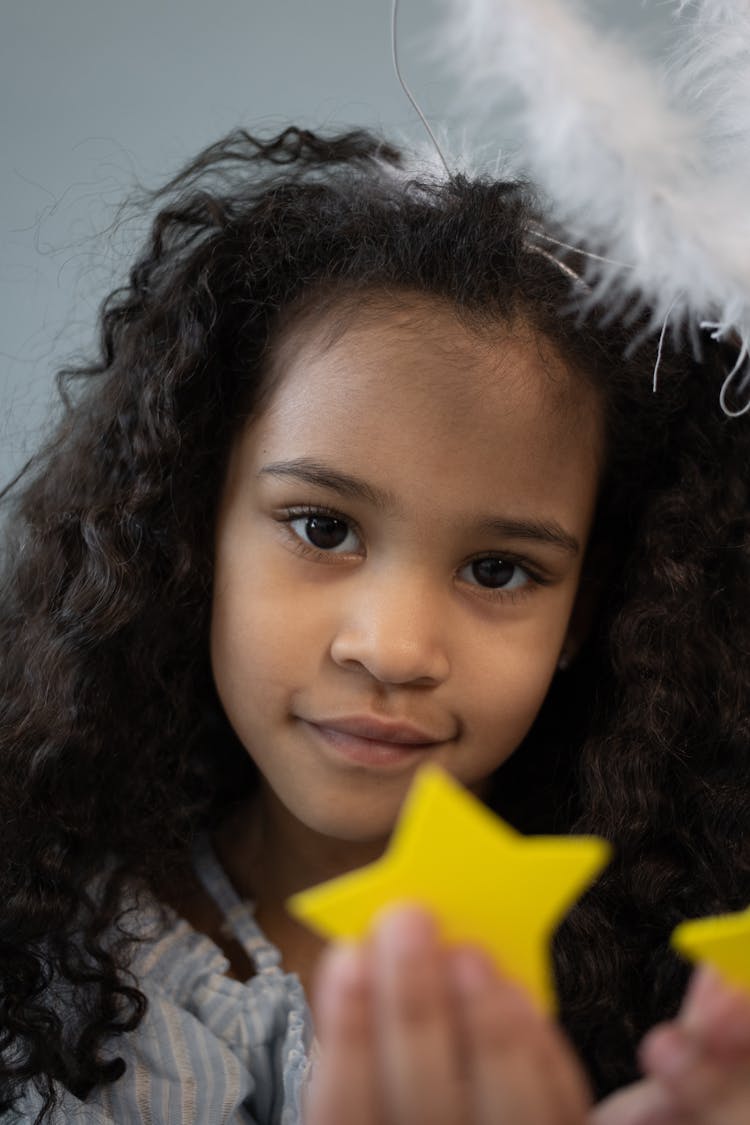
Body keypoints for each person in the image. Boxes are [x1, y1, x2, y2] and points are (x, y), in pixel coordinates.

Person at [1, 126, 749, 1125]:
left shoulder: (685, 995)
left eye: (499, 570)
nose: (393, 649)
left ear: (589, 609)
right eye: (323, 527)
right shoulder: (48, 967)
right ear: (189, 529)